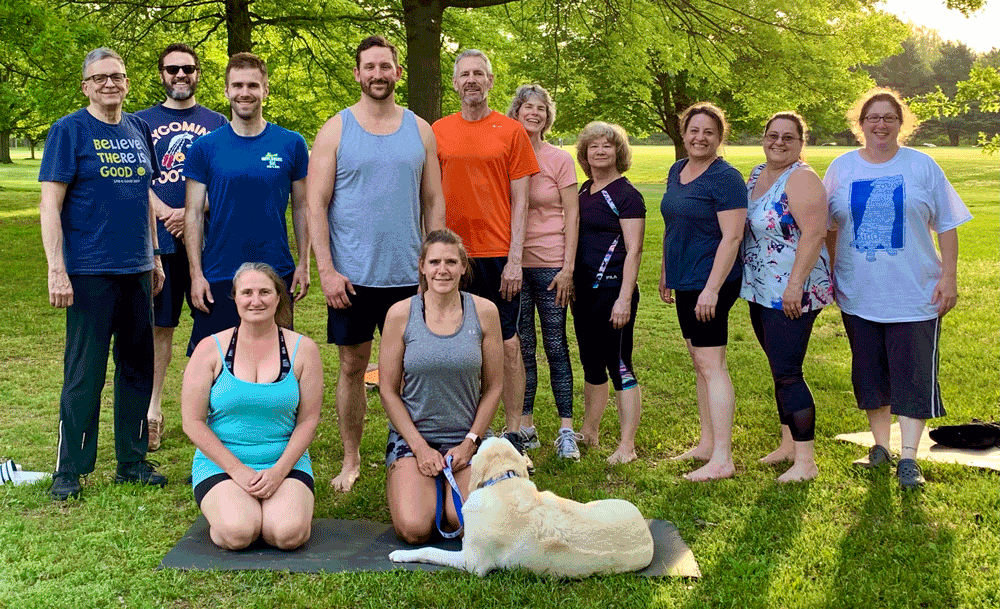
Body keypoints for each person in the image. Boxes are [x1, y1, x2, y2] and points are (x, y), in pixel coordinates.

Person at [307, 36, 446, 493]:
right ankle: (351, 458)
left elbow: (433, 202)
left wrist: (434, 267)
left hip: (409, 276)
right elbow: (316, 204)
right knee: (352, 366)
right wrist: (326, 270)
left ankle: (412, 449)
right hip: (352, 277)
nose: (378, 74)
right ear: (358, 74)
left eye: (385, 66)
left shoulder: (420, 130)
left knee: (411, 368)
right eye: (369, 67)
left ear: (398, 72)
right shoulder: (336, 130)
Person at [824, 88, 971, 488]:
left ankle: (909, 458)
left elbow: (949, 224)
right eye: (873, 118)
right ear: (861, 125)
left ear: (901, 123)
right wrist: (835, 272)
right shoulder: (841, 168)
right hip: (860, 290)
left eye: (889, 117)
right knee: (870, 374)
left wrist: (949, 276)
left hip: (915, 292)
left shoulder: (922, 166)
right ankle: (880, 448)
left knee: (912, 374)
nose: (881, 124)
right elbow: (829, 227)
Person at [39, 47, 168, 500]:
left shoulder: (139, 128)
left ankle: (132, 461)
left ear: (128, 82)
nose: (109, 84)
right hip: (90, 272)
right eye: (100, 78)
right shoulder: (69, 130)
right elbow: (50, 204)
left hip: (135, 269)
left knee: (137, 366)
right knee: (85, 371)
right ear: (86, 86)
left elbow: (145, 197)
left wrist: (154, 256)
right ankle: (70, 468)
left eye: (117, 76)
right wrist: (58, 269)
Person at [433, 49, 539, 453]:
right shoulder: (438, 130)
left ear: (491, 81)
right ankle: (464, 429)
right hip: (450, 256)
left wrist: (515, 260)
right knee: (454, 343)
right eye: (465, 74)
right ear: (456, 83)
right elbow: (429, 195)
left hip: (498, 255)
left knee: (508, 343)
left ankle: (514, 433)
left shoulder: (511, 131)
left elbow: (521, 201)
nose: (472, 80)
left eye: (479, 73)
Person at [181, 262, 322, 550]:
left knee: (287, 535)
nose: (256, 301)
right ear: (235, 298)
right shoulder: (210, 349)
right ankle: (235, 511)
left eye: (264, 292)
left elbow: (308, 421)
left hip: (283, 460)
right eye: (247, 293)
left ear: (278, 297)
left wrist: (280, 471)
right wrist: (238, 471)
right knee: (239, 533)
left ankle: (268, 510)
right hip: (223, 463)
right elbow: (192, 422)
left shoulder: (303, 349)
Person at [379, 230, 503, 543]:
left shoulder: (485, 313)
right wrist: (420, 448)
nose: (442, 269)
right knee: (415, 529)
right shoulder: (400, 314)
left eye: (451, 261)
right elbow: (389, 390)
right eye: (434, 262)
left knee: (461, 520)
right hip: (414, 438)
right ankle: (414, 479)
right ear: (422, 266)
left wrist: (471, 442)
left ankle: (448, 486)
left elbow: (494, 386)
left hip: (466, 438)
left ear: (463, 267)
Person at [184, 52, 310, 356]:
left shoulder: (291, 143)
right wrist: (196, 274)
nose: (245, 93)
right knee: (215, 366)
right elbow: (193, 216)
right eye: (237, 85)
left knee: (275, 365)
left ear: (265, 90)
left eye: (253, 85)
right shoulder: (204, 148)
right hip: (219, 273)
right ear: (226, 90)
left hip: (275, 272)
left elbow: (303, 208)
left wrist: (304, 264)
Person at [136, 43, 228, 452]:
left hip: (209, 244)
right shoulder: (140, 123)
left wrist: (189, 210)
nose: (180, 75)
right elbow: (136, 178)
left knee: (215, 329)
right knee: (160, 327)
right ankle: (153, 411)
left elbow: (225, 180)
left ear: (198, 73)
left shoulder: (218, 123)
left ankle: (212, 411)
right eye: (172, 69)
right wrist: (166, 213)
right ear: (161, 74)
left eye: (188, 69)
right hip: (156, 243)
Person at [740, 112, 833, 482]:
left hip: (793, 291)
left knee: (789, 373)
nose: (778, 142)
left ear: (800, 143)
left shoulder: (803, 178)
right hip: (761, 288)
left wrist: (795, 284)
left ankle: (806, 462)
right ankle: (788, 445)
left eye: (788, 138)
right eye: (772, 135)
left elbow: (814, 234)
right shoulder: (756, 174)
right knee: (779, 370)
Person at [659, 102, 747, 482]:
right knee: (699, 363)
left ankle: (723, 459)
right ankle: (707, 444)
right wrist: (666, 271)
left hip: (713, 283)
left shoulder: (726, 178)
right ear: (684, 132)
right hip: (686, 281)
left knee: (713, 367)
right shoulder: (677, 170)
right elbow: (672, 224)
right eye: (694, 130)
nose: (700, 137)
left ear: (719, 137)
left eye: (709, 132)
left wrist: (711, 290)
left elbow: (732, 237)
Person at [505, 85, 581, 460]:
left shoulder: (559, 159)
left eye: (540, 109)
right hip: (514, 265)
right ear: (516, 112)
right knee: (521, 348)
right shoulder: (504, 154)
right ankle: (526, 426)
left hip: (552, 264)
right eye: (526, 107)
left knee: (555, 344)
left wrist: (568, 267)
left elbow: (573, 214)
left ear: (547, 117)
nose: (533, 113)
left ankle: (566, 430)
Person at [573, 122, 646, 465]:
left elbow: (634, 251)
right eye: (593, 147)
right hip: (583, 294)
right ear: (585, 155)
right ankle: (590, 432)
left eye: (607, 146)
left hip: (614, 291)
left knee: (619, 364)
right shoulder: (583, 191)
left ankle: (627, 446)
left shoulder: (627, 195)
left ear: (619, 151)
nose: (600, 152)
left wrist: (624, 298)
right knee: (591, 364)